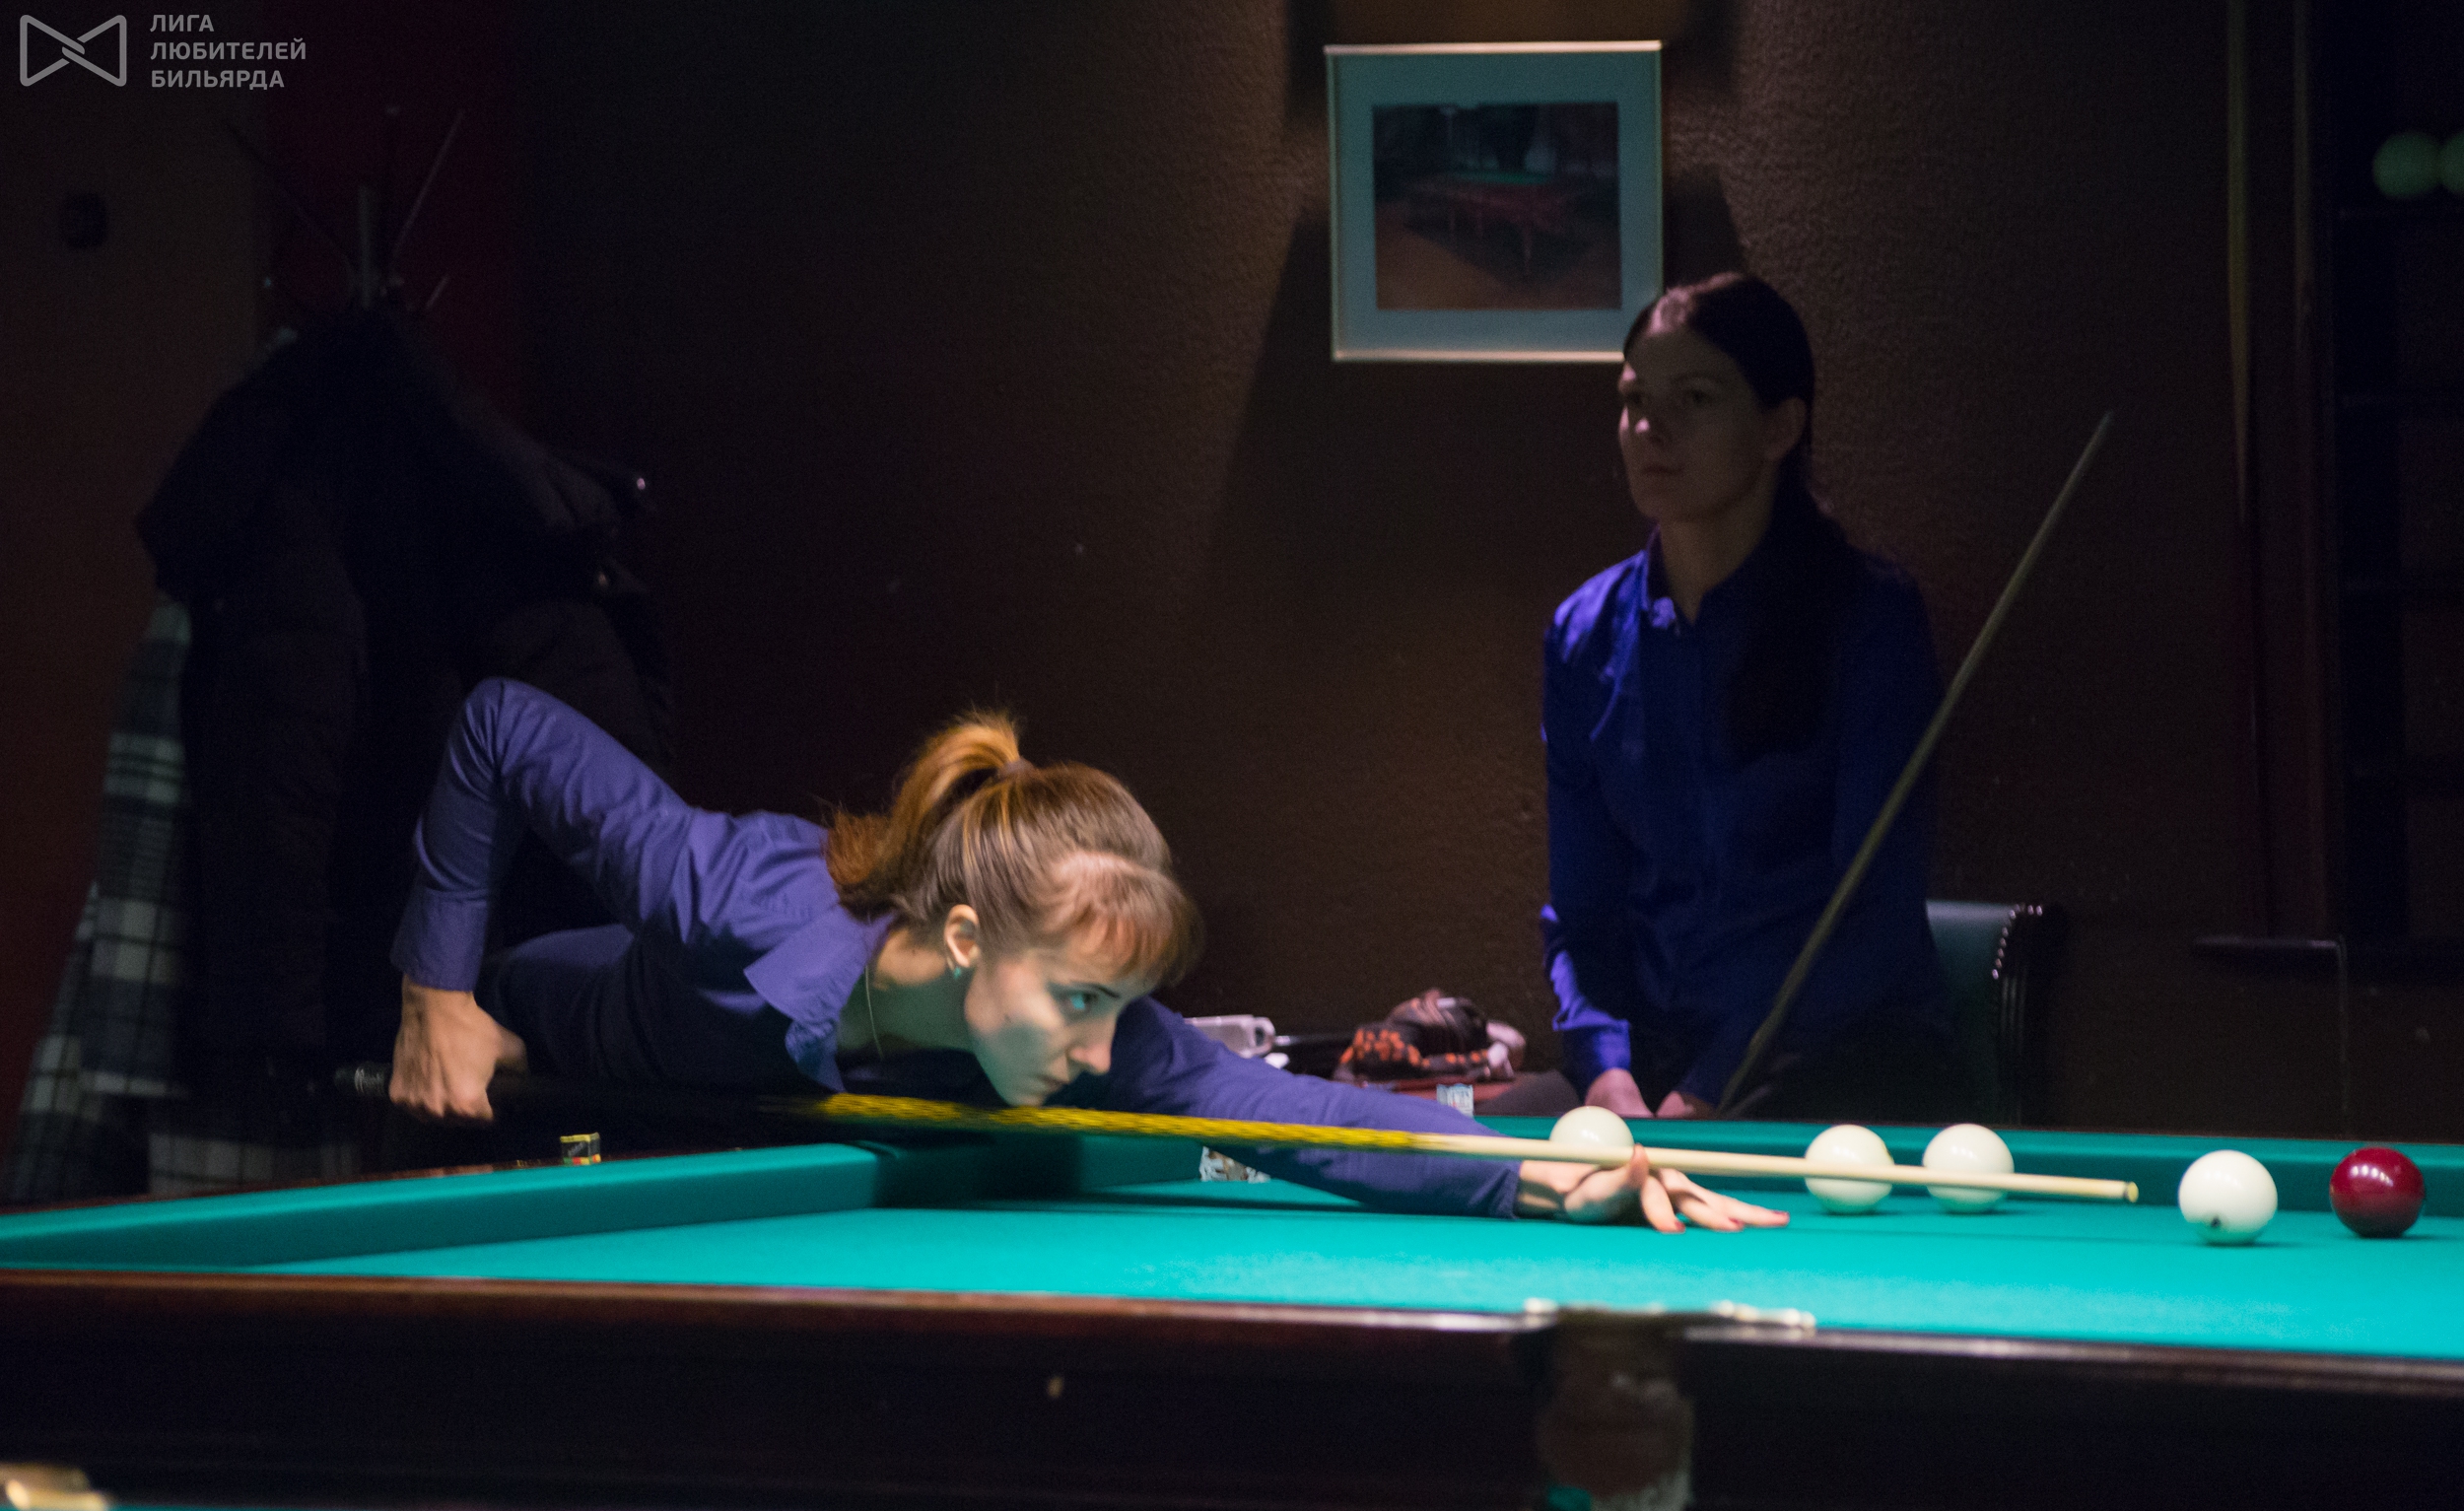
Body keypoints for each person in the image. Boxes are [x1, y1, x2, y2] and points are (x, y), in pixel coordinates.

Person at [388, 679, 1786, 1231]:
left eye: (1120, 1003)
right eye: (1078, 996)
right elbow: (501, 724)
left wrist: (1544, 1172)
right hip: (556, 1022)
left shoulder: (1094, 1037)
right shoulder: (729, 891)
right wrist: (440, 988)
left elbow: (1307, 1114)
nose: (1105, 1045)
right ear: (961, 937)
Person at [1538, 273, 1958, 1124]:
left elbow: (1872, 918)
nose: (1649, 428)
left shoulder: (1869, 619)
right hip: (1650, 1070)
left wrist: (1711, 1085)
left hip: (1838, 1061)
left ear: (1779, 426)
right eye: (1634, 400)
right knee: (1478, 1139)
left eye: (1692, 398)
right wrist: (1606, 1073)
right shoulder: (1582, 634)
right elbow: (1583, 915)